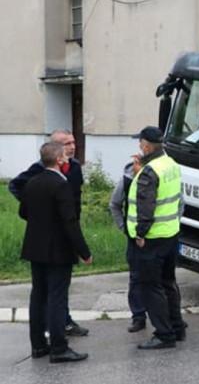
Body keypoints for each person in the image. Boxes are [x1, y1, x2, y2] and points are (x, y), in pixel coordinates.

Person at [8, 129, 89, 337]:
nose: (71, 146)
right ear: (55, 150)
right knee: (52, 291)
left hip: (68, 229)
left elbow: (74, 203)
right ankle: (56, 338)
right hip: (51, 236)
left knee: (56, 289)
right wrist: (40, 214)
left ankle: (62, 324)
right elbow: (17, 188)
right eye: (66, 144)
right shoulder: (40, 171)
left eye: (73, 142)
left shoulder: (75, 168)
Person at [127, 126, 186, 350]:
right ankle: (177, 327)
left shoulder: (150, 171)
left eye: (140, 142)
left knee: (152, 287)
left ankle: (164, 334)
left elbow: (146, 207)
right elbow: (178, 200)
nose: (139, 146)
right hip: (170, 233)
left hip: (151, 239)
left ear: (147, 145)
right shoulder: (171, 164)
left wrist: (140, 234)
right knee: (168, 283)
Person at [108, 156, 148, 333]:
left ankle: (168, 316)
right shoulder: (127, 180)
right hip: (134, 237)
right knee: (136, 277)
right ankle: (138, 317)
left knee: (163, 279)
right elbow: (115, 204)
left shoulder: (162, 177)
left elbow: (178, 203)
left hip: (159, 235)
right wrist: (124, 227)